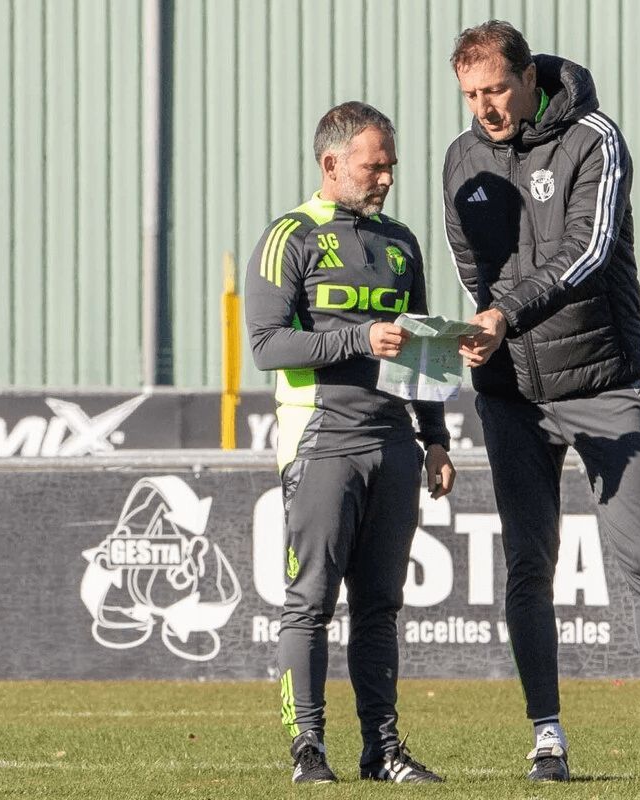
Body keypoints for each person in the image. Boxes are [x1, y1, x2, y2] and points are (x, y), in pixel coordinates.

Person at [442, 20, 640, 784]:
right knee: (527, 567)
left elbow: (588, 252)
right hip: (511, 396)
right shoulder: (461, 158)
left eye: (497, 89)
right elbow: (472, 267)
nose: (486, 107)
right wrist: (486, 330)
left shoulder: (595, 138)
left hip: (603, 384)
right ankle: (547, 739)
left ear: (529, 78)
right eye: (471, 94)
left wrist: (506, 314)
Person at [246, 101, 454, 785]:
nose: (387, 177)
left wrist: (435, 439)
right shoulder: (290, 236)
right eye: (374, 166)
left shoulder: (401, 242)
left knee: (380, 607)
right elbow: (267, 345)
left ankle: (382, 751)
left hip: (394, 442)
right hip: (322, 441)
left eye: (391, 165)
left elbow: (421, 349)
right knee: (310, 601)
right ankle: (308, 748)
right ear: (332, 163)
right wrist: (359, 338)